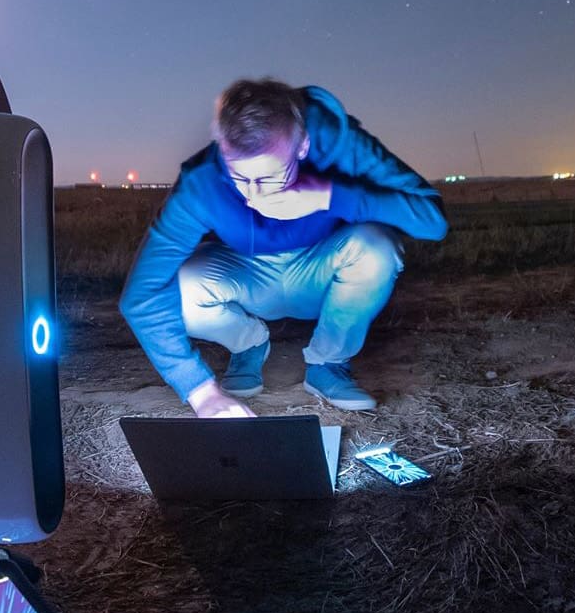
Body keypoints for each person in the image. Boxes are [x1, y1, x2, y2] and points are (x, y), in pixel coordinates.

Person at [120, 79, 448, 418]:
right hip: (247, 274)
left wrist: (328, 197)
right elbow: (140, 295)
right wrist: (201, 392)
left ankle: (328, 363)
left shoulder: (340, 143)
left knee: (376, 247)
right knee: (182, 287)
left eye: (269, 177)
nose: (254, 196)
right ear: (222, 148)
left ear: (302, 146)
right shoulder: (201, 182)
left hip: (320, 269)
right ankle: (248, 343)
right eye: (239, 177)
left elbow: (433, 221)